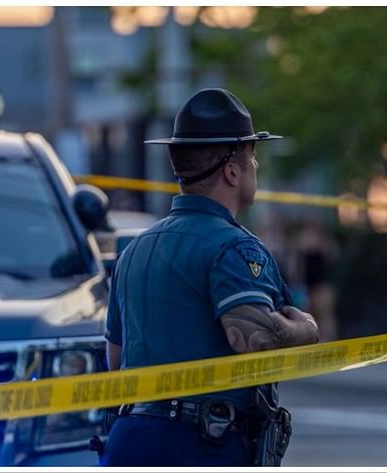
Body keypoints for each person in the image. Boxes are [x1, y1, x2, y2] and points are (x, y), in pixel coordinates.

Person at [97, 88, 320, 466]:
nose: (256, 168)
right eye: (253, 157)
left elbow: (115, 358)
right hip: (201, 444)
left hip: (128, 439)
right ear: (232, 170)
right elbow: (253, 339)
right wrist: (307, 329)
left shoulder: (135, 250)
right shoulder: (234, 248)